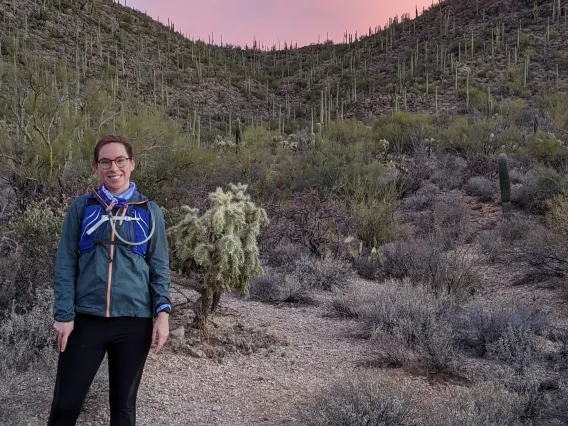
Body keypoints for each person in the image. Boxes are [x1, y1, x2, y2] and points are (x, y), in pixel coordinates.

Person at [48, 135, 172, 426]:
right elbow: (65, 262)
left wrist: (162, 314)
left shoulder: (149, 212)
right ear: (96, 167)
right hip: (85, 320)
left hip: (134, 321)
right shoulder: (83, 207)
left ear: (132, 164)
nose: (113, 168)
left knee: (124, 408)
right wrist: (64, 315)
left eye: (119, 160)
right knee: (66, 405)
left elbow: (159, 266)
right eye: (105, 161)